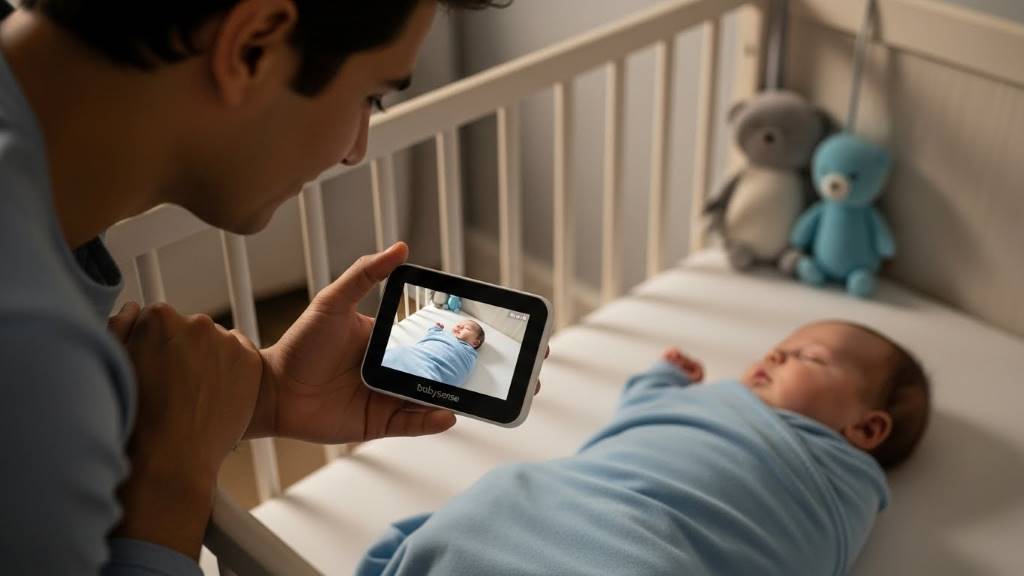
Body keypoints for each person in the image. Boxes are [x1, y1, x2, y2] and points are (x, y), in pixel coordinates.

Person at [0, 0, 507, 573]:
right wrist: (172, 480)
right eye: (372, 96)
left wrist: (262, 393)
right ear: (254, 47)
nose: (355, 149)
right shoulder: (30, 347)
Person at [357, 320, 931, 576]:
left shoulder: (842, 485)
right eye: (779, 346)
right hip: (554, 504)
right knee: (495, 504)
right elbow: (639, 424)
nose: (777, 355)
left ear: (867, 430)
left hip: (654, 554)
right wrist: (659, 382)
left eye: (809, 357)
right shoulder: (710, 401)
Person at [384, 320, 485, 387]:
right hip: (414, 355)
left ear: (475, 343)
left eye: (466, 328)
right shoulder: (442, 335)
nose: (459, 327)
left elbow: (462, 370)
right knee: (399, 353)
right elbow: (431, 335)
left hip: (431, 371)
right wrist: (435, 329)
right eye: (458, 325)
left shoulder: (469, 354)